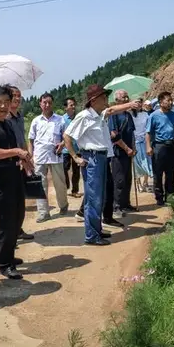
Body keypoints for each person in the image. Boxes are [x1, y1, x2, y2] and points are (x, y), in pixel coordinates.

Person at [63, 85, 140, 245]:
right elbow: (67, 136)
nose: (106, 100)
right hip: (92, 158)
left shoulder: (100, 114)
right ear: (93, 100)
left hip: (101, 158)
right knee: (94, 198)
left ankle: (96, 230)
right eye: (103, 97)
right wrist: (75, 157)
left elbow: (112, 110)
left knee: (100, 196)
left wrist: (130, 104)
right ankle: (92, 236)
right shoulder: (84, 116)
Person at [0, 85, 35, 280]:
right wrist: (16, 152)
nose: (3, 106)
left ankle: (6, 254)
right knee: (5, 221)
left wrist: (24, 159)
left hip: (13, 175)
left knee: (17, 217)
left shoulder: (8, 124)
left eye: (6, 102)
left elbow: (15, 149)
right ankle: (4, 263)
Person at [28, 93, 69, 222]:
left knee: (59, 183)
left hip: (56, 155)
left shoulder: (60, 120)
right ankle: (43, 213)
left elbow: (66, 137)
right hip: (40, 156)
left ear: (52, 104)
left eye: (49, 103)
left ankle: (63, 205)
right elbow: (31, 140)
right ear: (40, 104)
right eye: (44, 102)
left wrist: (62, 144)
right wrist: (30, 156)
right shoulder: (36, 121)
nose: (47, 105)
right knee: (40, 185)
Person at [4, 84, 34, 241]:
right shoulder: (4, 119)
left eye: (19, 95)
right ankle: (9, 236)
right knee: (10, 201)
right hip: (10, 163)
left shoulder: (20, 117)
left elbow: (22, 139)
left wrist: (27, 158)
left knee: (20, 200)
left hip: (22, 161)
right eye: (14, 95)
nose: (17, 98)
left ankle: (18, 229)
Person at [145, 91, 174, 206]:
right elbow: (148, 133)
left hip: (171, 146)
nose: (170, 102)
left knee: (170, 172)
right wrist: (148, 147)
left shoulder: (173, 115)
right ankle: (159, 197)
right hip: (159, 147)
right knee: (158, 173)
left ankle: (169, 196)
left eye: (171, 100)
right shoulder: (154, 115)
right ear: (161, 102)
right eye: (168, 100)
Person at [108, 89, 137, 218]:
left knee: (127, 179)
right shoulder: (113, 115)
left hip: (128, 152)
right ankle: (116, 206)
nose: (126, 99)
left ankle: (125, 203)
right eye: (124, 97)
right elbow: (113, 135)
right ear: (117, 100)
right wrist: (126, 148)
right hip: (118, 152)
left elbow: (132, 133)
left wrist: (133, 148)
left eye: (127, 97)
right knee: (119, 180)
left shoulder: (128, 115)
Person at [131, 99, 153, 193]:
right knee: (137, 164)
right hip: (135, 142)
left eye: (140, 102)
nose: (139, 104)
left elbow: (148, 128)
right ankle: (138, 183)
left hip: (145, 141)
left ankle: (145, 183)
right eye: (137, 103)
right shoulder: (130, 115)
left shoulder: (145, 114)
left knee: (147, 162)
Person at [61, 97, 82, 198]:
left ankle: (75, 190)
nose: (73, 107)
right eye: (71, 105)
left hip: (77, 149)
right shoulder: (62, 119)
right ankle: (66, 185)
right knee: (64, 169)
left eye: (74, 105)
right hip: (65, 149)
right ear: (65, 107)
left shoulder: (79, 118)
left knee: (76, 171)